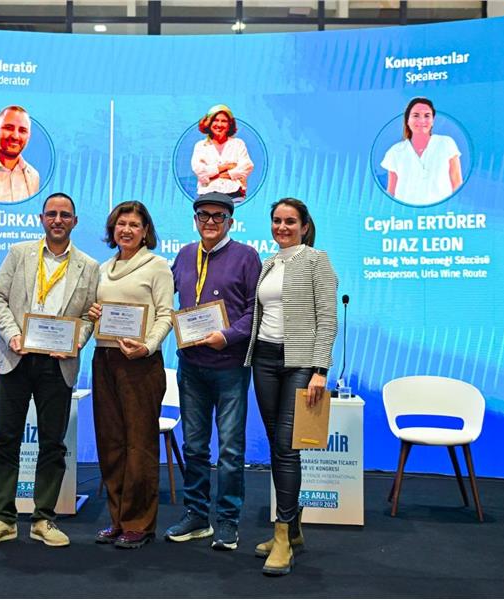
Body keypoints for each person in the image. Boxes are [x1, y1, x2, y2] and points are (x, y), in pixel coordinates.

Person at [0, 192, 99, 548]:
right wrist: (12, 335)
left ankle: (44, 519)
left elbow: (89, 315)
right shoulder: (19, 253)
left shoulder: (89, 266)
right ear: (41, 219)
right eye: (52, 214)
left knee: (53, 444)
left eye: (65, 215)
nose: (58, 220)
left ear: (75, 222)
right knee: (6, 440)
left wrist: (75, 342)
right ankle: (3, 520)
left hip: (58, 363)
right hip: (16, 358)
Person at [244, 198, 337, 576]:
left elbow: (327, 319)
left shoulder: (316, 260)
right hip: (264, 360)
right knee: (276, 446)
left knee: (286, 447)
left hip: (300, 364)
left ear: (304, 226)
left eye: (290, 221)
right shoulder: (269, 262)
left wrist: (320, 370)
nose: (282, 227)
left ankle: (282, 534)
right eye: (277, 221)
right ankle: (293, 528)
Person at [163, 192, 261, 550]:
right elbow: (161, 298)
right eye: (203, 215)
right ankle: (196, 515)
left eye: (218, 216)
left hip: (230, 367)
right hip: (191, 367)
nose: (210, 221)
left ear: (230, 222)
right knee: (194, 447)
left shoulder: (247, 256)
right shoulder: (184, 255)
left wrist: (228, 336)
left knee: (230, 451)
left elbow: (255, 311)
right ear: (195, 220)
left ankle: (228, 521)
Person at [89, 201, 174, 549]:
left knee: (139, 444)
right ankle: (118, 519)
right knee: (110, 443)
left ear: (145, 231)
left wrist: (148, 346)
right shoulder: (102, 269)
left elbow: (166, 315)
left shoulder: (157, 266)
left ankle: (139, 523)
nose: (127, 230)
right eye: (121, 223)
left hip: (140, 363)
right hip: (104, 359)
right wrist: (94, 313)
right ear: (113, 229)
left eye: (134, 225)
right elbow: (94, 313)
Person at [380, 97, 463, 206]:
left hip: (441, 213)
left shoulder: (446, 143)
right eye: (416, 115)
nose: (422, 120)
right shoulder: (395, 151)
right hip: (406, 213)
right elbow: (391, 192)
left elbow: (457, 183)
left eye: (427, 116)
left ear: (433, 121)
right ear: (407, 120)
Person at [191, 104, 254, 202]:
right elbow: (200, 172)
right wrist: (226, 166)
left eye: (224, 121)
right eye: (215, 120)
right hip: (207, 195)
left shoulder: (238, 144)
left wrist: (217, 175)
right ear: (208, 123)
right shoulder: (200, 146)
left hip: (235, 195)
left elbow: (247, 166)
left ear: (229, 125)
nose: (219, 125)